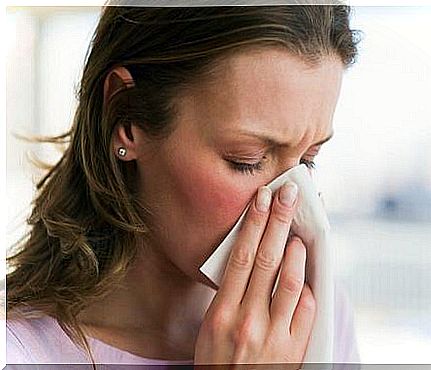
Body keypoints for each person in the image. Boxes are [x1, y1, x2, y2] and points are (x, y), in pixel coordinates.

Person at [6, 3, 361, 368]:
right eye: (247, 160)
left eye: (307, 160)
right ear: (127, 115)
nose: (292, 202)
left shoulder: (313, 315)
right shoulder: (17, 352)